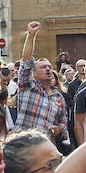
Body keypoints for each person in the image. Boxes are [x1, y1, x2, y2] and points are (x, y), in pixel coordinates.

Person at [13, 22, 69, 150]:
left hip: (45, 149)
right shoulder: (28, 86)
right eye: (43, 67)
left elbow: (63, 122)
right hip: (23, 147)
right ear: (34, 73)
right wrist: (31, 36)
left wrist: (59, 129)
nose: (48, 69)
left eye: (50, 67)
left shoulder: (58, 97)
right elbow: (26, 60)